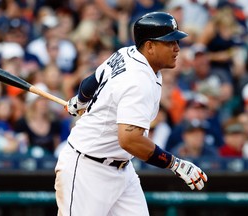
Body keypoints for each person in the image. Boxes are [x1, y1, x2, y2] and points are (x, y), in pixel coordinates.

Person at [54, 11, 207, 216]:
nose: (177, 48)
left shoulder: (127, 53)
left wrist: (80, 100)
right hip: (87, 169)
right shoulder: (138, 80)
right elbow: (130, 140)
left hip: (122, 171)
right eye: (169, 42)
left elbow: (92, 80)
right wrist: (174, 163)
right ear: (150, 46)